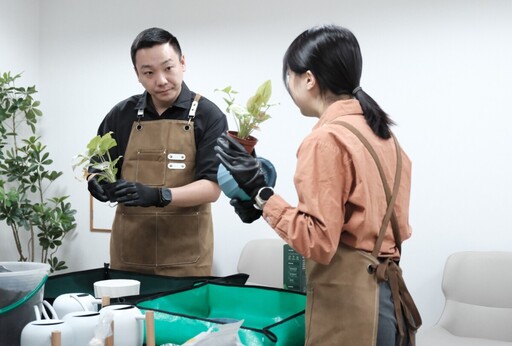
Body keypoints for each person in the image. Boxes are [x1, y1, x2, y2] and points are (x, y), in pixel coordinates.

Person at [215, 25, 421, 345]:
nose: (289, 85)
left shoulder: (326, 139)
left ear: (308, 78)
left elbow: (319, 241)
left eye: (290, 76)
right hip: (387, 302)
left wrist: (260, 192)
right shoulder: (383, 136)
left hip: (351, 305)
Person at [88, 27, 228, 277]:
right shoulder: (121, 114)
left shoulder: (209, 115)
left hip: (187, 257)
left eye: (168, 68)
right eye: (149, 73)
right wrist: (94, 182)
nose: (161, 80)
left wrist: (158, 195)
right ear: (137, 75)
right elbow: (98, 166)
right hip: (129, 252)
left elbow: (212, 188)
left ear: (182, 63)